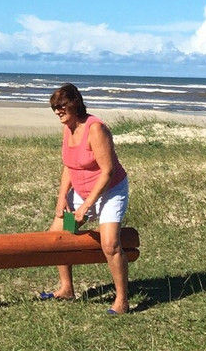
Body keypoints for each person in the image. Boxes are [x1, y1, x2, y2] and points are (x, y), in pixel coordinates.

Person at [40, 83, 130, 314]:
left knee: (109, 244)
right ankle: (66, 288)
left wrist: (86, 208)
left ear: (74, 103)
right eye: (54, 107)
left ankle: (122, 300)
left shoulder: (95, 129)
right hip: (81, 193)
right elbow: (69, 166)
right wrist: (62, 198)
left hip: (110, 191)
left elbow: (107, 171)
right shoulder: (68, 127)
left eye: (61, 106)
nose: (58, 111)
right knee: (58, 236)